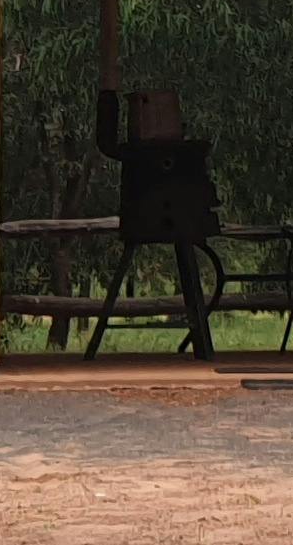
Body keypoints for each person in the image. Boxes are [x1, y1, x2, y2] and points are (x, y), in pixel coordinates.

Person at [95, 88, 223, 356]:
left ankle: (200, 341)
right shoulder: (171, 158)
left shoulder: (154, 158)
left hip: (162, 217)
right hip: (160, 218)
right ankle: (203, 345)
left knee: (186, 265)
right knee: (188, 266)